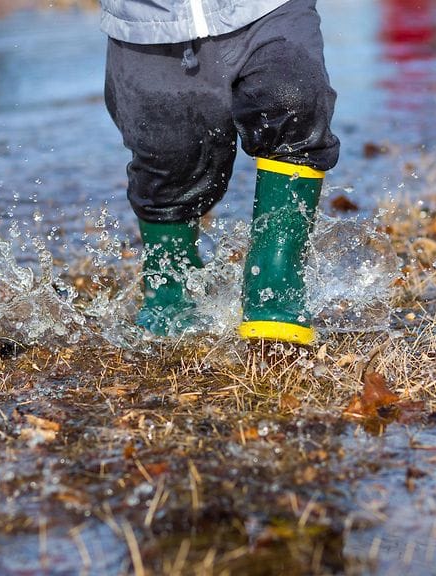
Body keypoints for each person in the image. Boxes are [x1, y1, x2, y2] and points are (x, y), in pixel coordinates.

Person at [101, 0, 340, 345]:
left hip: (267, 8)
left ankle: (276, 279)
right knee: (168, 156)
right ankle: (168, 282)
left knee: (296, 102)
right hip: (149, 22)